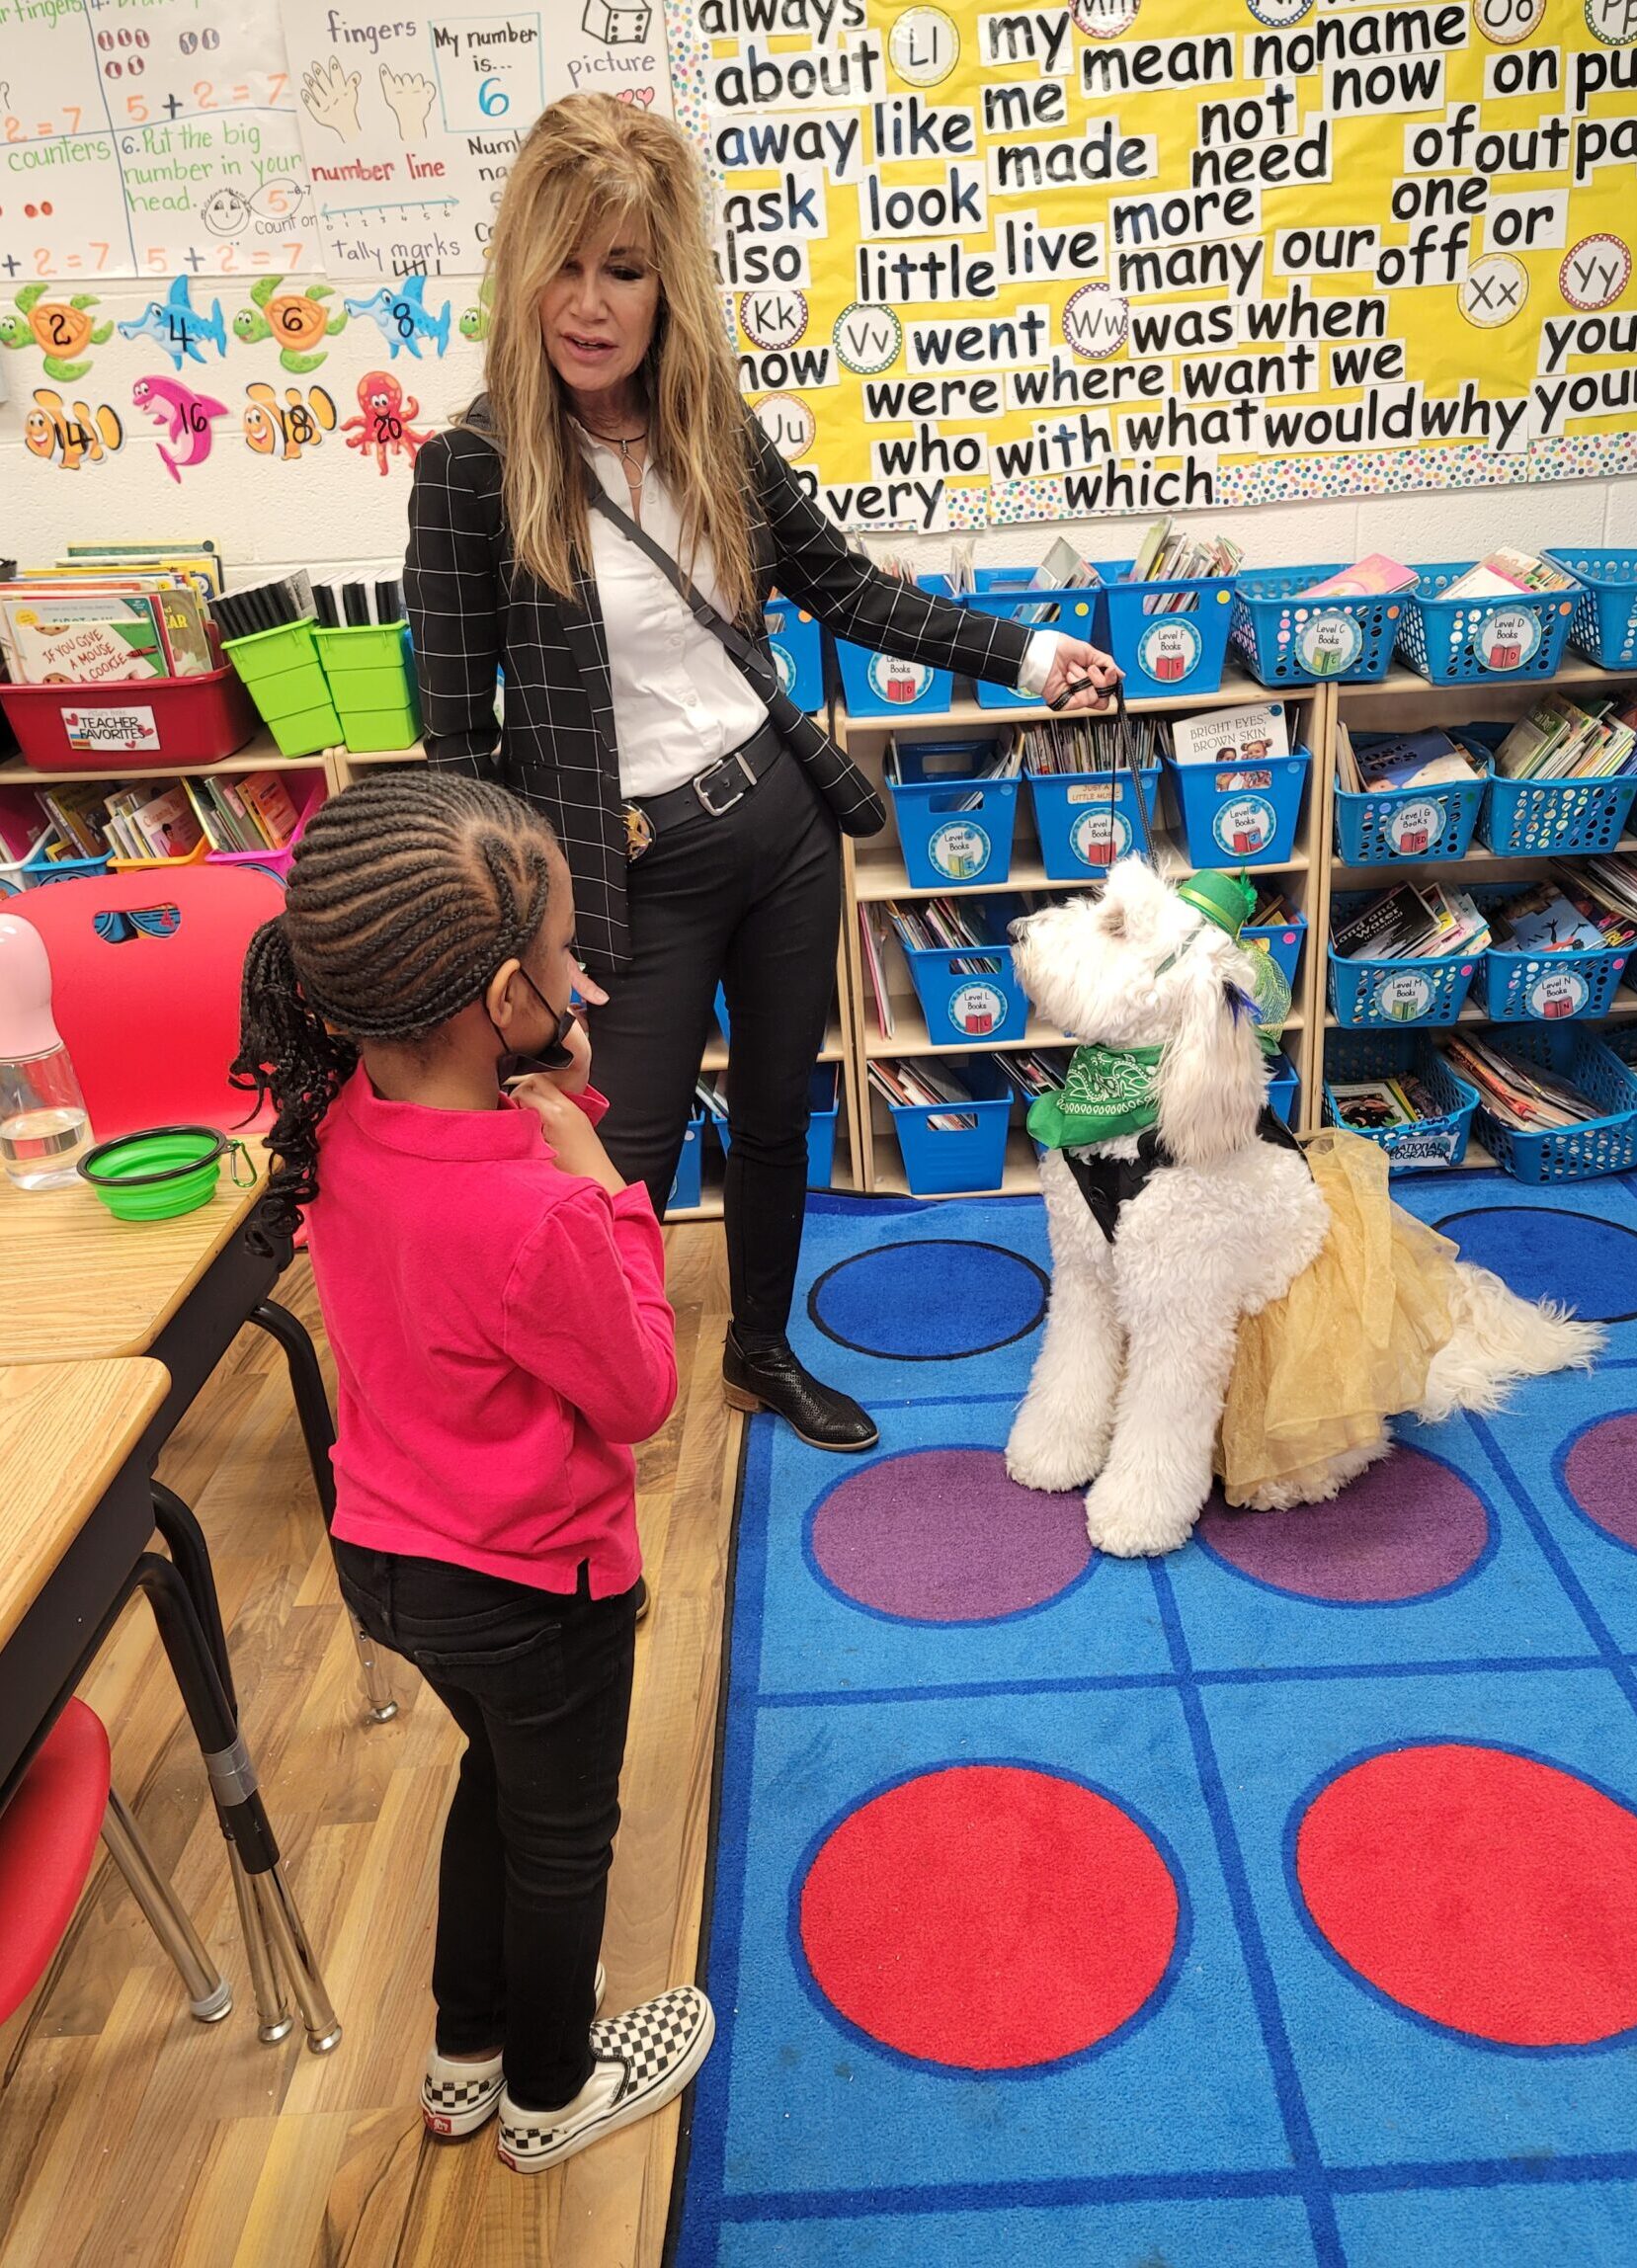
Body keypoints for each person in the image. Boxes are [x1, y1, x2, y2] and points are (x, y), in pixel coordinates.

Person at [406, 94, 1120, 1452]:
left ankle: (760, 1349)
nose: (592, 301)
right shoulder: (471, 470)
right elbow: (454, 746)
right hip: (623, 870)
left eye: (624, 267)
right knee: (615, 1152)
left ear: (667, 283)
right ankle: (588, 1405)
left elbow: (843, 589)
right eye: (566, 261)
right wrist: (517, 936)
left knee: (784, 1113)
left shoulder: (707, 429)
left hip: (779, 824)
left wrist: (1032, 657)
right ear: (520, 270)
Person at [232, 770, 713, 2174]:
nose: (583, 979)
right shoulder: (540, 1205)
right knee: (565, 1832)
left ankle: (462, 2058)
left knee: (493, 1784)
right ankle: (549, 2094)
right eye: (566, 958)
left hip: (392, 1561)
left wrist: (543, 1107)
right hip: (534, 1585)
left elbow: (451, 1227)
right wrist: (604, 1180)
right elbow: (639, 1397)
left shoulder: (333, 1127)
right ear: (507, 999)